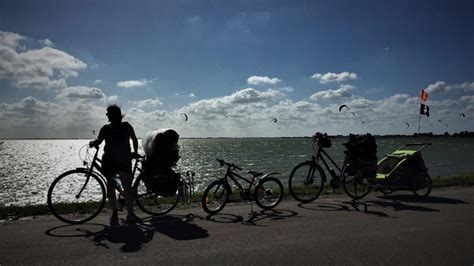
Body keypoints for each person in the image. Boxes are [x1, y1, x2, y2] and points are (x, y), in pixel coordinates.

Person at [89, 104, 141, 225]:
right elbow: (134, 139)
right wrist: (135, 152)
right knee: (126, 187)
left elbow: (98, 141)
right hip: (123, 159)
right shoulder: (126, 126)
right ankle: (130, 214)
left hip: (111, 161)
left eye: (108, 113)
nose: (106, 115)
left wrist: (93, 143)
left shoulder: (106, 129)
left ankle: (115, 212)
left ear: (112, 115)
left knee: (112, 187)